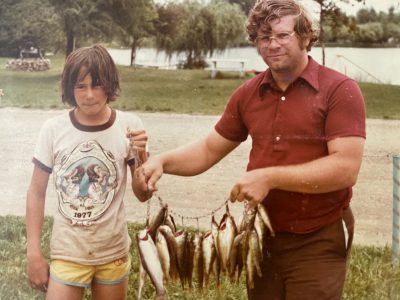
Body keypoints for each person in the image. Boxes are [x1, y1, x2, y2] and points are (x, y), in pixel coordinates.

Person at [136, 0, 366, 299]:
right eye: (263, 37)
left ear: (306, 36)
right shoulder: (248, 93)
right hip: (260, 237)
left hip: (319, 236)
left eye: (283, 35)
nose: (272, 44)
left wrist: (268, 178)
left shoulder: (340, 90)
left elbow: (346, 169)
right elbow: (208, 149)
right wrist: (163, 162)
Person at [26, 44, 150, 300]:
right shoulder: (53, 129)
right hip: (68, 252)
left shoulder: (130, 126)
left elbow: (143, 194)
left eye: (97, 85)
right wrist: (34, 253)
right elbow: (36, 193)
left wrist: (143, 156)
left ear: (110, 84)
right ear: (69, 89)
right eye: (80, 86)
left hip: (112, 252)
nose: (90, 95)